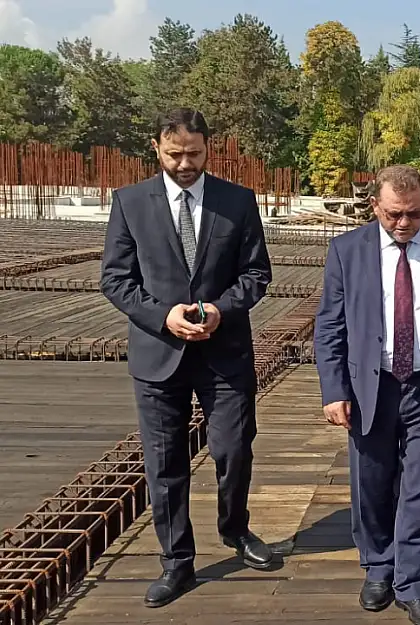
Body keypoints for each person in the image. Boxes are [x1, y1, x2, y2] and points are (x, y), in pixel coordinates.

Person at [99, 107, 274, 608]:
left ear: (208, 148)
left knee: (234, 447)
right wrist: (162, 316)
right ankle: (177, 560)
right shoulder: (130, 203)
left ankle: (235, 528)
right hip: (159, 353)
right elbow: (115, 279)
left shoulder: (237, 202)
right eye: (175, 154)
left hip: (225, 352)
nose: (184, 164)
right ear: (156, 148)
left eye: (194, 154)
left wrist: (221, 308)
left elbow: (257, 273)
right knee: (164, 461)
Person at [314, 164, 420, 625]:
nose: (403, 224)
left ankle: (412, 580)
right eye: (393, 215)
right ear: (375, 206)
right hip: (372, 386)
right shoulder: (347, 250)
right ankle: (378, 566)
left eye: (413, 214)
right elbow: (330, 326)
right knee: (372, 483)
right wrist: (333, 389)